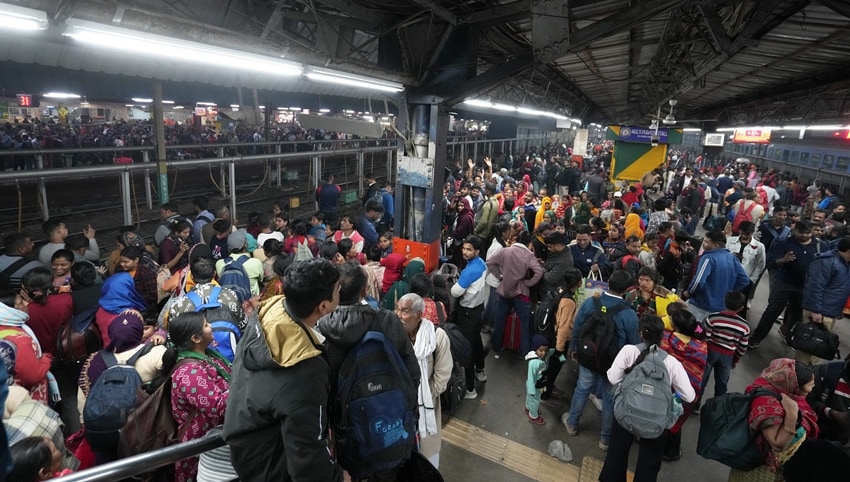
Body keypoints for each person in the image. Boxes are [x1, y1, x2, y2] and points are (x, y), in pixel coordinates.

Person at [224, 258, 350, 482]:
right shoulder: (305, 368)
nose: (341, 292)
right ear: (323, 306)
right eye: (338, 290)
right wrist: (337, 478)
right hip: (273, 467)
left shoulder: (269, 311)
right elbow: (306, 449)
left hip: (246, 449)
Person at [599, 314, 695, 482]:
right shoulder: (671, 362)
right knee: (649, 462)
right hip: (657, 420)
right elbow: (689, 395)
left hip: (626, 412)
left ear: (641, 333)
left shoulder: (629, 351)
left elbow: (613, 378)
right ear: (662, 336)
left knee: (617, 453)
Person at [77, 309, 167, 464]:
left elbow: (83, 399)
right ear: (139, 332)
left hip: (105, 433)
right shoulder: (157, 353)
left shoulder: (94, 360)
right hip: (142, 431)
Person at [565, 270, 640, 451]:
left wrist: (573, 348)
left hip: (588, 356)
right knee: (609, 399)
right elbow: (634, 344)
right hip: (613, 364)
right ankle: (605, 439)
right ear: (627, 290)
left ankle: (572, 423)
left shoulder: (591, 302)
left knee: (582, 389)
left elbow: (577, 327)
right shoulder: (629, 314)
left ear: (608, 283)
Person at [163, 311, 232, 482]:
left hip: (215, 439)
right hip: (199, 449)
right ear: (196, 338)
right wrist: (247, 384)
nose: (211, 327)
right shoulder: (190, 372)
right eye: (206, 325)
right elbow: (217, 407)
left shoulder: (208, 356)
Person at [727, 359, 818, 481]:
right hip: (757, 472)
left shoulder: (792, 399)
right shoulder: (768, 405)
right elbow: (777, 443)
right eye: (810, 385)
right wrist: (792, 415)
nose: (813, 387)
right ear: (795, 385)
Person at [395, 293, 452, 468]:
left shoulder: (437, 337)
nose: (398, 314)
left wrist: (424, 395)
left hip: (426, 407)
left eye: (404, 311)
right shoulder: (394, 336)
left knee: (426, 462)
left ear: (419, 315)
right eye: (397, 309)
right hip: (399, 408)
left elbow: (442, 375)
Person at [750, 221, 829, 347]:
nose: (804, 235)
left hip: (805, 287)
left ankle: (791, 338)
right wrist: (783, 260)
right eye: (801, 232)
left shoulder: (821, 246)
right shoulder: (784, 243)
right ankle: (756, 338)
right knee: (772, 311)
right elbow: (771, 263)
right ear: (794, 230)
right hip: (784, 283)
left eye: (807, 233)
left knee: (797, 315)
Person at [659, 309, 707, 461]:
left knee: (659, 414)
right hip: (686, 392)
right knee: (676, 418)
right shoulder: (701, 347)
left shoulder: (665, 339)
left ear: (675, 325)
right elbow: (698, 371)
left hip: (663, 388)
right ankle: (670, 451)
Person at [486, 231, 544, 356]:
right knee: (524, 324)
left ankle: (496, 346)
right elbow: (539, 272)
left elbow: (490, 262)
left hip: (504, 291)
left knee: (500, 320)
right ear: (529, 243)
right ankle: (524, 351)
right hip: (521, 293)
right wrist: (528, 283)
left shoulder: (505, 251)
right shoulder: (528, 255)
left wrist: (500, 275)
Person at [797, 236, 850, 365]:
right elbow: (814, 287)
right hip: (818, 312)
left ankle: (806, 377)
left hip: (830, 312)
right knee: (807, 347)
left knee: (818, 348)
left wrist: (840, 308)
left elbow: (840, 288)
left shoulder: (845, 264)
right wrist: (815, 310)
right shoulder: (827, 262)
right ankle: (797, 376)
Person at [682, 231, 750, 323]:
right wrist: (728, 290)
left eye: (706, 242)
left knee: (689, 328)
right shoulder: (732, 258)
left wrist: (689, 292)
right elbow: (745, 280)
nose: (703, 244)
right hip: (720, 307)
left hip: (701, 304)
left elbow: (698, 281)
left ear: (715, 245)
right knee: (705, 331)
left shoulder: (708, 258)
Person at [450, 236, 488, 399]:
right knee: (477, 341)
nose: (464, 252)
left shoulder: (470, 271)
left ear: (477, 251)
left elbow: (455, 292)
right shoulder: (481, 263)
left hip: (467, 313)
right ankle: (480, 371)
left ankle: (471, 389)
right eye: (464, 248)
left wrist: (456, 282)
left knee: (467, 349)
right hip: (478, 309)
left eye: (469, 249)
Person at [699, 291, 750, 410]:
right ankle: (716, 408)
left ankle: (695, 404)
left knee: (702, 378)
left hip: (709, 352)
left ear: (724, 301)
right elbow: (742, 347)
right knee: (722, 383)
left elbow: (704, 336)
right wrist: (735, 360)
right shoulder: (744, 326)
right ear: (741, 308)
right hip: (728, 356)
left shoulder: (713, 318)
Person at [540, 269, 582, 408]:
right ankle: (546, 394)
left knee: (551, 366)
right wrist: (560, 348)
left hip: (552, 334)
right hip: (559, 340)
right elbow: (564, 326)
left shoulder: (560, 291)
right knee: (553, 367)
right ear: (578, 282)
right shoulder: (568, 301)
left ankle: (548, 385)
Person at [726, 221, 765, 319]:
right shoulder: (730, 240)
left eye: (747, 234)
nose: (743, 236)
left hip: (745, 279)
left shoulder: (759, 246)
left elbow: (761, 264)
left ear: (752, 233)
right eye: (742, 233)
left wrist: (752, 279)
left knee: (740, 303)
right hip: (728, 276)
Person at [215, 230, 264, 297]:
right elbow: (261, 279)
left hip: (229, 300)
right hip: (250, 302)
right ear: (245, 244)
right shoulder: (256, 263)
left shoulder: (219, 264)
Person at [0, 233, 43, 304]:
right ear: (21, 249)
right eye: (30, 243)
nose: (33, 244)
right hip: (25, 302)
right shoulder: (35, 265)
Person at [525, 334, 554, 425]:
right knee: (535, 400)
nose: (544, 353)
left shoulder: (542, 356)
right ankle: (533, 416)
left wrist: (561, 354)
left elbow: (552, 352)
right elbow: (530, 377)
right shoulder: (534, 363)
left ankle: (528, 408)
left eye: (545, 350)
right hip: (534, 385)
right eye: (541, 350)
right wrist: (531, 390)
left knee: (530, 399)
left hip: (539, 383)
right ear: (535, 349)